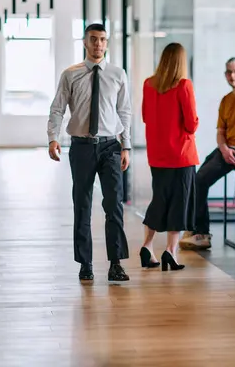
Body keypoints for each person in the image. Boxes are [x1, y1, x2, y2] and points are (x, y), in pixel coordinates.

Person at [47, 23, 131, 282]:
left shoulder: (118, 74)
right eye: (93, 39)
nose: (98, 44)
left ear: (107, 44)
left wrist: (126, 145)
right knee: (82, 205)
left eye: (103, 40)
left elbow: (124, 111)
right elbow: (58, 108)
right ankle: (85, 264)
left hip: (110, 147)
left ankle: (116, 263)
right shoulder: (70, 74)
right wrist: (53, 138)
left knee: (113, 205)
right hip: (81, 146)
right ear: (85, 42)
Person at [179, 57, 235, 251]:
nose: (232, 76)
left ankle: (201, 233)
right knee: (196, 179)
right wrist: (224, 148)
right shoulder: (226, 100)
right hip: (228, 148)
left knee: (200, 180)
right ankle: (195, 229)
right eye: (229, 72)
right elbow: (220, 132)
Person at [140, 43, 199, 271]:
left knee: (159, 200)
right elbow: (191, 124)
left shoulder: (148, 84)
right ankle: (170, 251)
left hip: (157, 154)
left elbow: (146, 116)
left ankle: (147, 246)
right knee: (179, 204)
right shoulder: (183, 85)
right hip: (181, 156)